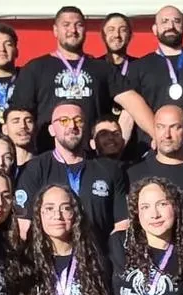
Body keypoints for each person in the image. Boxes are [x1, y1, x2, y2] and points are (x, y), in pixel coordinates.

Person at [9, 6, 156, 152]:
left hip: (92, 156)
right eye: (66, 25)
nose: (73, 30)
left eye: (78, 25)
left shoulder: (102, 68)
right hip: (49, 155)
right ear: (55, 30)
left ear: (85, 30)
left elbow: (133, 102)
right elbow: (18, 115)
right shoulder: (35, 68)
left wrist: (157, 136)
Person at [15, 101, 129, 246]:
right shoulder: (34, 169)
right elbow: (24, 226)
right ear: (51, 130)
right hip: (49, 257)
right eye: (64, 120)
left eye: (78, 120)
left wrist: (110, 255)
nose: (72, 126)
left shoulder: (109, 169)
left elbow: (122, 224)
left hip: (99, 256)